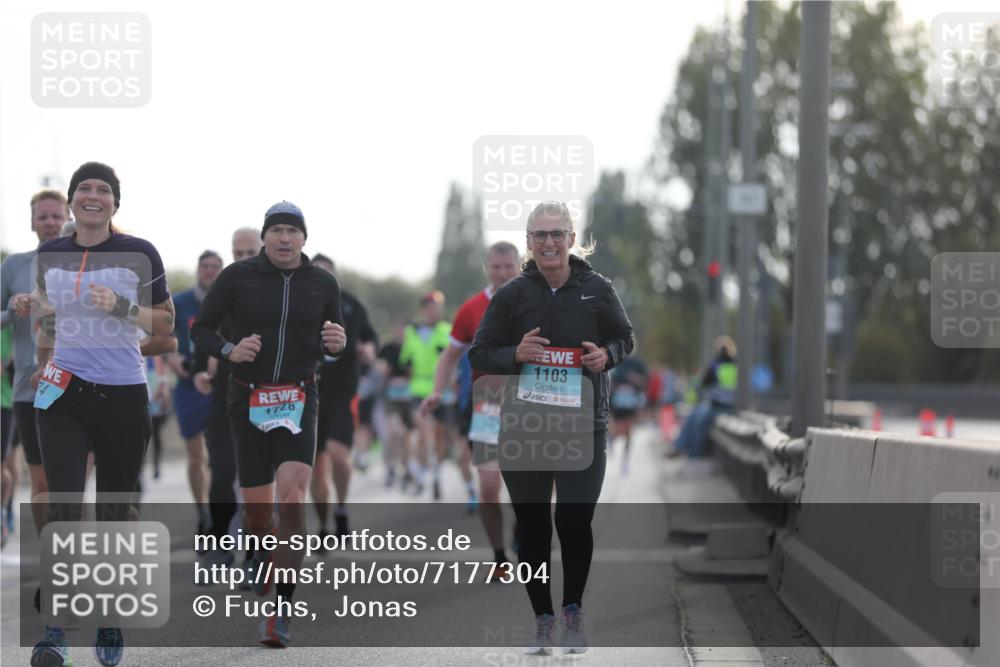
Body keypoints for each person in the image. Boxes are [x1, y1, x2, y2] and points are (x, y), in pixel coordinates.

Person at [24, 162, 175, 667]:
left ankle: (108, 616)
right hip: (64, 396)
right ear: (71, 202)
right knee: (64, 508)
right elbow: (47, 321)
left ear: (115, 203)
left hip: (124, 396)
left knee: (113, 516)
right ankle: (54, 634)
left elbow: (167, 323)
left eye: (103, 190)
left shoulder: (140, 253)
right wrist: (43, 360)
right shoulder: (51, 253)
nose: (93, 195)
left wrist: (123, 309)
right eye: (84, 188)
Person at [469, 200, 634, 655]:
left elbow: (625, 338)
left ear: (572, 239)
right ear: (529, 243)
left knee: (574, 520)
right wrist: (515, 354)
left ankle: (573, 610)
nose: (548, 242)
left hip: (584, 426)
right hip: (526, 428)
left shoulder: (598, 289)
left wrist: (608, 356)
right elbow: (479, 354)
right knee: (534, 527)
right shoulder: (512, 295)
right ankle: (543, 618)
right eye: (539, 235)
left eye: (556, 233)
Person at [190, 201, 345, 649]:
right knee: (258, 513)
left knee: (292, 498)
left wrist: (338, 343)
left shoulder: (322, 282)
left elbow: (332, 341)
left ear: (303, 239)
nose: (283, 238)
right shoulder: (237, 277)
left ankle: (281, 613)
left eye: (291, 231)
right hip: (247, 397)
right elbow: (201, 329)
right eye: (275, 230)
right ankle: (261, 551)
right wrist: (228, 350)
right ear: (264, 237)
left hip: (299, 396)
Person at [421, 241, 520, 576]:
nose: (504, 273)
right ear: (487, 268)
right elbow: (449, 356)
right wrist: (436, 391)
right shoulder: (471, 309)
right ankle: (499, 557)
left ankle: (524, 528)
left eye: (509, 267)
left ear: (519, 266)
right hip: (488, 402)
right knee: (490, 486)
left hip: (531, 402)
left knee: (531, 486)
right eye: (497, 267)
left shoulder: (536, 300)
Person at [192, 227, 262, 571]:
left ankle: (255, 553)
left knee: (256, 481)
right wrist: (204, 368)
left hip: (267, 398)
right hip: (225, 397)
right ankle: (220, 545)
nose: (245, 260)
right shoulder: (224, 289)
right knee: (221, 473)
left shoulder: (282, 290)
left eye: (251, 253)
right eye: (239, 254)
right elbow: (202, 333)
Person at [308, 253, 377, 544]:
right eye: (316, 272)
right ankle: (324, 525)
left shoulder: (351, 304)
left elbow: (370, 338)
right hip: (308, 394)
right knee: (316, 466)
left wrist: (369, 350)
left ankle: (342, 507)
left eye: (327, 273)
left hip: (342, 393)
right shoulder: (299, 303)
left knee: (339, 457)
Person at [168, 250, 224, 538]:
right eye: (206, 266)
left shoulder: (229, 302)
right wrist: (172, 358)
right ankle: (202, 513)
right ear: (198, 269)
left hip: (219, 385)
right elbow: (164, 338)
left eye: (216, 267)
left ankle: (219, 515)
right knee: (195, 457)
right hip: (189, 385)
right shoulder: (180, 303)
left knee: (219, 456)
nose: (211, 271)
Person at [400, 291, 460, 499]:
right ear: (422, 310)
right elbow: (406, 361)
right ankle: (422, 472)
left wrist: (452, 383)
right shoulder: (412, 331)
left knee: (439, 434)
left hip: (441, 389)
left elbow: (455, 359)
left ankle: (436, 471)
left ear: (440, 309)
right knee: (425, 430)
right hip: (418, 388)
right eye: (428, 307)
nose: (432, 311)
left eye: (435, 307)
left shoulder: (448, 330)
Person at [670, 336, 737, 458]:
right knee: (695, 416)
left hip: (718, 408)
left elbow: (703, 385)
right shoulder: (738, 366)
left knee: (697, 420)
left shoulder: (715, 366)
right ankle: (682, 447)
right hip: (733, 407)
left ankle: (692, 452)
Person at [375, 321, 413, 488]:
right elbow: (377, 363)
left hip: (409, 397)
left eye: (403, 331)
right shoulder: (388, 348)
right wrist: (383, 368)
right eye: (398, 330)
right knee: (394, 431)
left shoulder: (413, 347)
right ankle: (390, 467)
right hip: (390, 397)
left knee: (406, 435)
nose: (400, 333)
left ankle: (406, 468)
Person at [609, 351, 649, 475]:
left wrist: (635, 379)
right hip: (617, 402)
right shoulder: (617, 360)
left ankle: (625, 461)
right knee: (617, 429)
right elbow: (611, 381)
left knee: (628, 432)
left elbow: (645, 382)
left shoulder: (638, 363)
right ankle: (611, 441)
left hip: (632, 402)